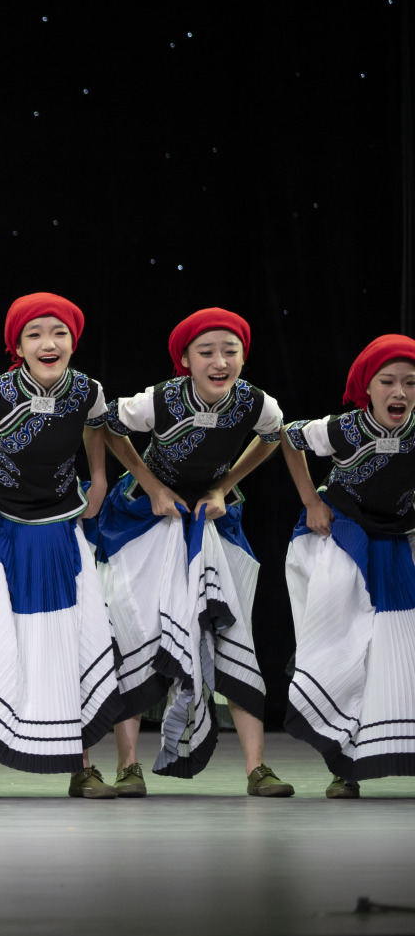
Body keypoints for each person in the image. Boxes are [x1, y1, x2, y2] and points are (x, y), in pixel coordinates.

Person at [96, 308, 291, 797]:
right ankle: (127, 766)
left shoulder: (255, 403)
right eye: (206, 352)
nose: (219, 362)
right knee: (137, 630)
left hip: (210, 518)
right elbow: (106, 424)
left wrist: (225, 485)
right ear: (185, 359)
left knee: (230, 629)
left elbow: (274, 435)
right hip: (146, 517)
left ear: (244, 356)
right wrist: (151, 485)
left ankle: (257, 768)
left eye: (230, 351)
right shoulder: (159, 400)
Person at [0, 293, 120, 799]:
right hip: (0, 522)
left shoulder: (88, 390)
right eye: (34, 335)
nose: (47, 343)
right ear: (18, 347)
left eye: (59, 333)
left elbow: (97, 426)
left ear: (73, 342)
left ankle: (83, 767)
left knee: (75, 638)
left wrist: (100, 477)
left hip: (60, 521)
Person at [277, 334, 415, 797]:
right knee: (343, 648)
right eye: (388, 381)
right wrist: (311, 501)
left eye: (411, 383)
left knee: (394, 651)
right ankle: (343, 765)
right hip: (344, 533)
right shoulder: (344, 429)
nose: (400, 392)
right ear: (367, 387)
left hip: (396, 540)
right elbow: (288, 436)